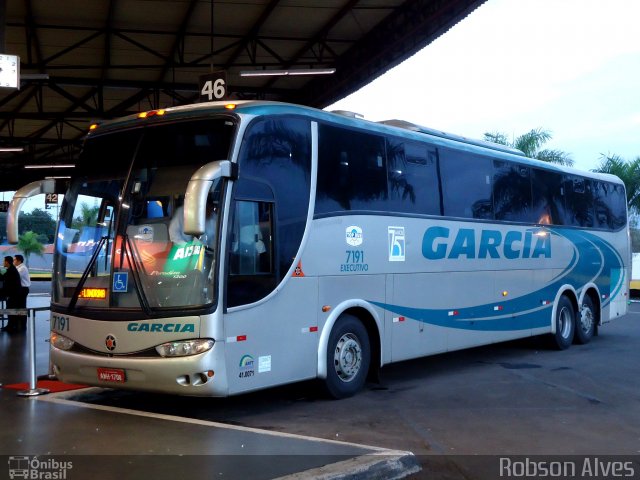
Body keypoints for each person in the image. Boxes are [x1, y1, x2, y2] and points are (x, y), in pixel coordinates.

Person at [1, 256, 22, 333]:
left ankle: (11, 326)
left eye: (4, 261)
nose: (3, 263)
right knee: (10, 309)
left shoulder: (11, 271)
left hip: (13, 295)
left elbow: (4, 280)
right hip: (13, 294)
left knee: (10, 310)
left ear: (7, 262)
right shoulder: (11, 270)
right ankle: (10, 325)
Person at [14, 254, 30, 331]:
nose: (13, 261)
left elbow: (15, 276)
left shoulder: (22, 268)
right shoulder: (18, 267)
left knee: (22, 306)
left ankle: (23, 323)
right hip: (20, 289)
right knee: (19, 305)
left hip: (23, 289)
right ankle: (19, 322)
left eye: (14, 260)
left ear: (19, 260)